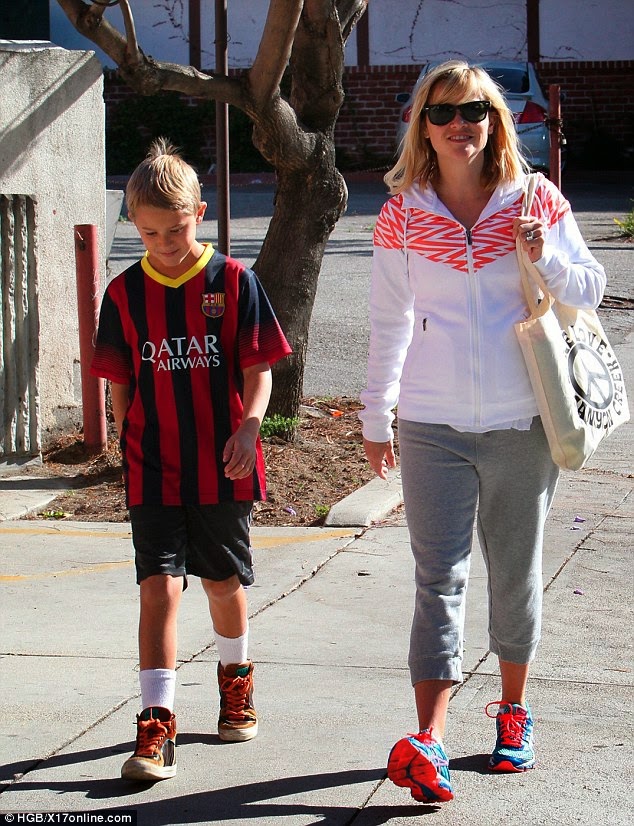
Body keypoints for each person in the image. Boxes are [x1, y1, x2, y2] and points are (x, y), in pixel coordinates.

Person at [359, 60, 606, 803]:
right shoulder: (402, 214)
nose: (458, 124)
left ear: (495, 120)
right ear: (422, 126)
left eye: (474, 110)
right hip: (430, 421)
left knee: (514, 573)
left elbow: (591, 287)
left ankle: (513, 711)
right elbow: (389, 322)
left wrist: (545, 255)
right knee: (437, 579)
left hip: (520, 420)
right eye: (441, 112)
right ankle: (429, 740)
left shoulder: (535, 198)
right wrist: (377, 414)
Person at [91, 138, 291, 782]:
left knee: (223, 583)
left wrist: (250, 428)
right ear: (133, 223)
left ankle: (236, 684)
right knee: (158, 587)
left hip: (222, 463)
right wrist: (125, 442)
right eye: (149, 232)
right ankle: (156, 724)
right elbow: (121, 379)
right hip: (153, 466)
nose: (164, 243)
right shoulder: (124, 293)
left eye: (175, 230)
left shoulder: (233, 282)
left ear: (199, 214)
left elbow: (259, 369)